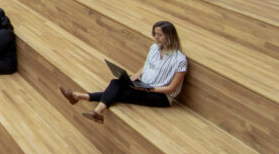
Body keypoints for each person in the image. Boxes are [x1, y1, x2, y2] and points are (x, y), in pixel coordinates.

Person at [59, 21, 188, 123]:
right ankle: (86, 104)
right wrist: (135, 77)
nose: (156, 38)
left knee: (119, 93)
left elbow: (171, 88)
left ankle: (83, 100)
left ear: (170, 36)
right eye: (155, 34)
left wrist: (148, 89)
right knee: (117, 82)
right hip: (143, 85)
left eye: (160, 35)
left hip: (160, 96)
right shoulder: (154, 48)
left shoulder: (180, 59)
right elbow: (146, 65)